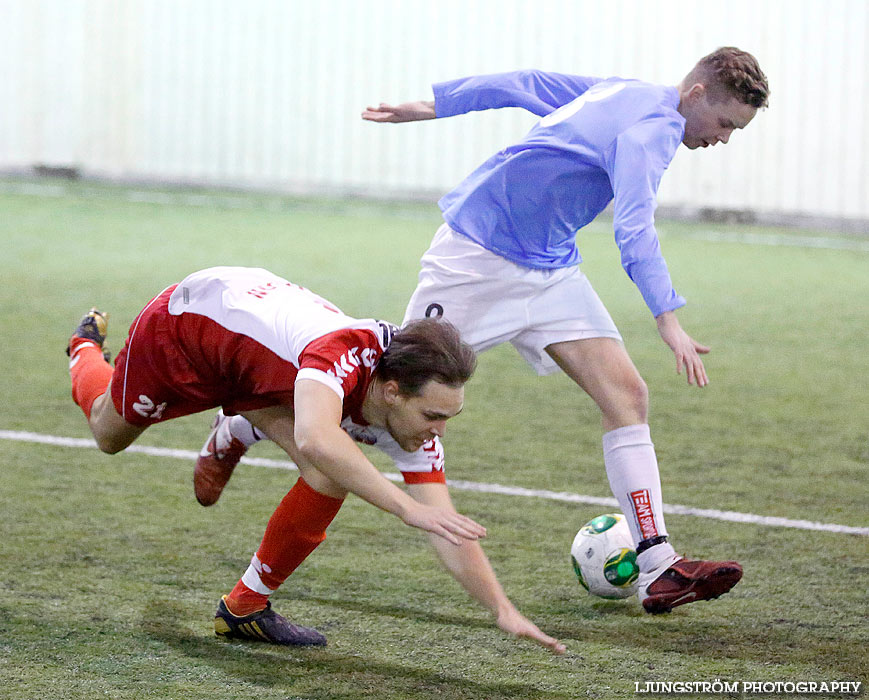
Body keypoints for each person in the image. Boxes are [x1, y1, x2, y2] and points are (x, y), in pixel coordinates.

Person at [359, 47, 770, 613]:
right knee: (386, 399)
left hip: (550, 270)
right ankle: (246, 428)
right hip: (475, 258)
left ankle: (658, 566)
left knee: (627, 395)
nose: (724, 138)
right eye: (725, 123)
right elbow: (634, 228)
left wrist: (433, 106)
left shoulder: (625, 90)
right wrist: (667, 318)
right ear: (696, 94)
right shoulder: (654, 130)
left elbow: (525, 81)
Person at [66, 265, 565, 653]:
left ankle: (244, 607)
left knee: (330, 471)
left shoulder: (408, 416)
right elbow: (316, 437)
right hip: (191, 328)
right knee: (109, 432)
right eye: (433, 415)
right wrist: (406, 508)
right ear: (391, 392)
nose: (440, 431)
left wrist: (502, 609)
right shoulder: (340, 355)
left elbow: (445, 525)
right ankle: (84, 348)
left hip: (260, 362)